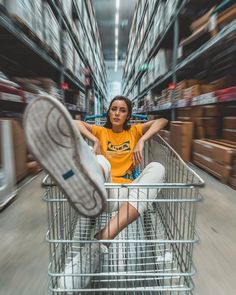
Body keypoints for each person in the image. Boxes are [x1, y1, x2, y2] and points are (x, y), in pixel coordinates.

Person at [23, 95, 168, 290]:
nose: (117, 113)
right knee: (102, 161)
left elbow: (163, 120)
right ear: (108, 112)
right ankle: (86, 181)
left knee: (158, 168)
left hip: (128, 193)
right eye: (114, 108)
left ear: (128, 115)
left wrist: (142, 139)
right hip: (104, 192)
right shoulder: (101, 131)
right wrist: (94, 140)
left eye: (122, 110)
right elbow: (74, 122)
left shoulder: (134, 131)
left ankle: (103, 237)